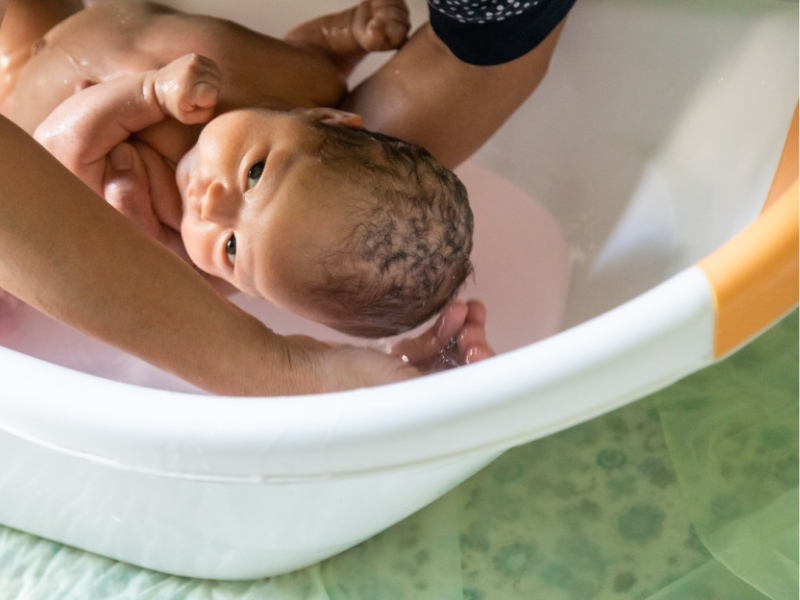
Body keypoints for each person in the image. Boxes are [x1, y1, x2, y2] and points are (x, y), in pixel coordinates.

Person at [0, 0, 570, 395]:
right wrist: (345, 35)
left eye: (228, 248)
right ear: (326, 118)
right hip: (61, 25)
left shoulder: (159, 245)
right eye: (254, 175)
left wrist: (143, 96)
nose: (210, 203)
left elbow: (49, 155)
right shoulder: (303, 88)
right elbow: (309, 53)